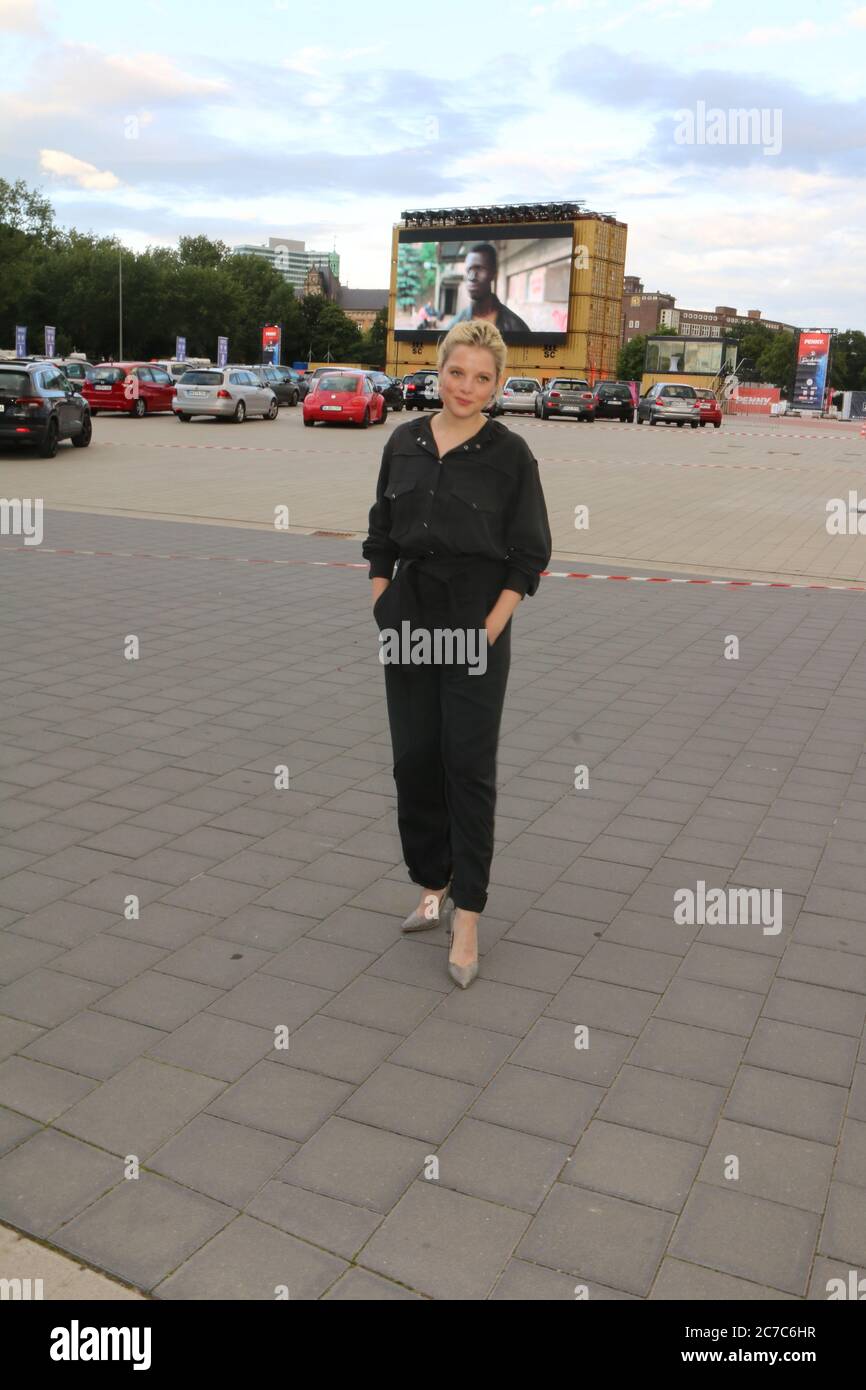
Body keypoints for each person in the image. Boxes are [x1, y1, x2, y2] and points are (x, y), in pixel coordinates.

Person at [362, 320, 551, 988]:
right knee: (415, 759)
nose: (466, 387)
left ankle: (468, 912)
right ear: (436, 372)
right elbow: (380, 535)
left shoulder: (511, 455)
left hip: (475, 624)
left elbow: (529, 555)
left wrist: (491, 627)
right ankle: (432, 883)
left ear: (497, 386)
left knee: (465, 765)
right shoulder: (403, 442)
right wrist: (383, 601)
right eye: (456, 372)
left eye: (481, 377)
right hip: (408, 619)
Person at [449, 243, 531, 334]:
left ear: (494, 274)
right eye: (469, 270)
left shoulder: (516, 327)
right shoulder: (454, 327)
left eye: (479, 269)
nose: (472, 277)